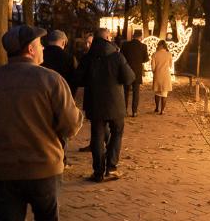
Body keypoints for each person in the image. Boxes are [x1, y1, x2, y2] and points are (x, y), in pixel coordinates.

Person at [0, 25, 83, 221]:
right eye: (40, 45)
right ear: (30, 49)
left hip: (3, 171)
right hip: (44, 169)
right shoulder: (51, 80)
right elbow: (70, 126)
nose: (43, 49)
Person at [75, 28, 135, 182]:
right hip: (115, 103)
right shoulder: (117, 56)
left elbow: (78, 79)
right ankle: (112, 168)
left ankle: (98, 172)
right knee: (117, 133)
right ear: (108, 38)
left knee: (97, 136)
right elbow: (129, 78)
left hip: (95, 103)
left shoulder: (87, 58)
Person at [42, 30, 77, 167]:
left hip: (42, 98)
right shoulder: (68, 58)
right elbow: (73, 80)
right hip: (62, 98)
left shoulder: (41, 55)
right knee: (62, 129)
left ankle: (46, 156)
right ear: (63, 42)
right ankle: (61, 158)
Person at [120, 30, 149, 117]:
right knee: (136, 92)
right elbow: (146, 59)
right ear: (141, 36)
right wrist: (138, 61)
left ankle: (124, 110)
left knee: (125, 92)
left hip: (127, 70)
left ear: (133, 35)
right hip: (137, 71)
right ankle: (134, 111)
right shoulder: (143, 46)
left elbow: (121, 56)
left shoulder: (125, 45)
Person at [151, 40, 173, 115]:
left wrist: (154, 72)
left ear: (160, 46)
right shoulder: (169, 54)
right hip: (166, 75)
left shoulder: (155, 54)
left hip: (158, 74)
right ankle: (162, 110)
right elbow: (170, 65)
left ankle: (157, 108)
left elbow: (153, 67)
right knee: (164, 94)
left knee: (157, 93)